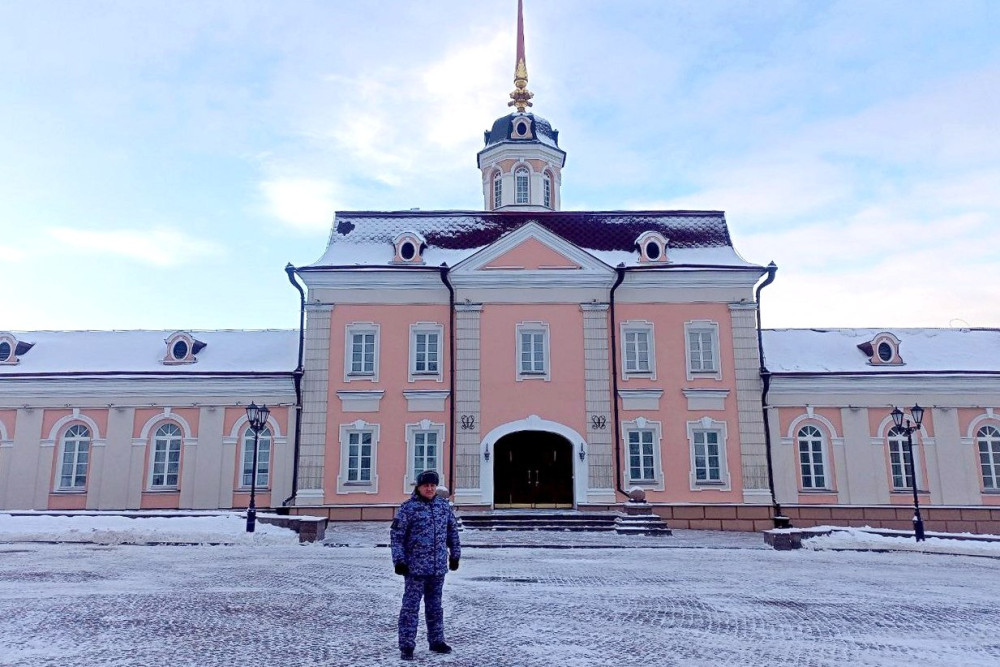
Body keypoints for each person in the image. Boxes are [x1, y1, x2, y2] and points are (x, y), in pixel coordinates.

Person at [390, 469, 461, 661]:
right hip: (415, 569)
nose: (429, 489)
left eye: (432, 485)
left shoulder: (443, 506)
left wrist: (455, 555)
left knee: (435, 606)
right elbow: (396, 537)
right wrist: (399, 561)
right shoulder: (408, 508)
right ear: (419, 487)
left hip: (438, 568)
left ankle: (436, 640)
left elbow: (452, 532)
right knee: (410, 608)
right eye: (425, 485)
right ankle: (407, 645)